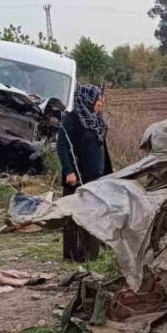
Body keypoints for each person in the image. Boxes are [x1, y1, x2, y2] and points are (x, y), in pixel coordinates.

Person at [55, 84, 113, 262]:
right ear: (87, 99)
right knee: (74, 217)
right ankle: (73, 255)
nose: (101, 102)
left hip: (97, 178)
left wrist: (109, 173)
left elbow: (102, 149)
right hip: (78, 178)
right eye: (98, 98)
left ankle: (90, 255)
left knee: (94, 215)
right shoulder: (72, 119)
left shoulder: (97, 119)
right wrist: (69, 172)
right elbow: (62, 146)